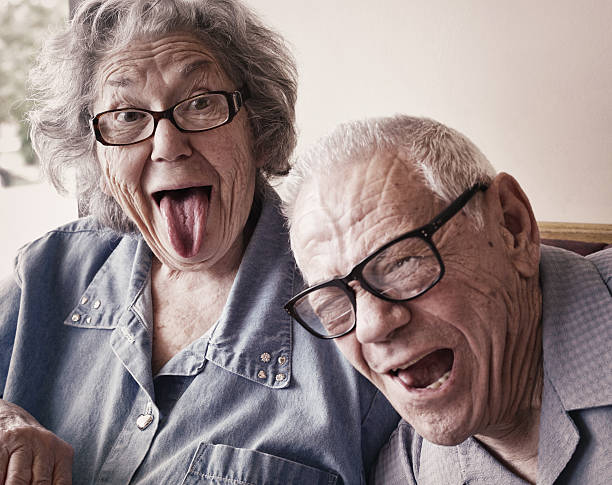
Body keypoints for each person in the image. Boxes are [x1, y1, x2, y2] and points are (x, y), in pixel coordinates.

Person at [0, 1, 399, 483]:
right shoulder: (47, 271)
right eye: (126, 116)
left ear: (258, 128)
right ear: (96, 157)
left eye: (201, 102)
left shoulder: (356, 315)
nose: (168, 145)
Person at [282, 115, 612, 484]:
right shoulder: (407, 474)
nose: (372, 327)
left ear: (511, 226)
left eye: (400, 262)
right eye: (333, 304)